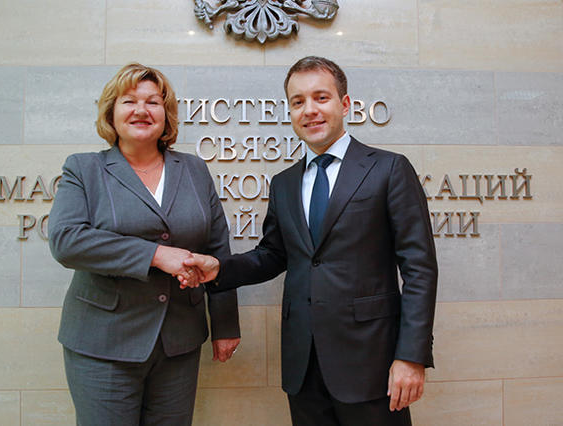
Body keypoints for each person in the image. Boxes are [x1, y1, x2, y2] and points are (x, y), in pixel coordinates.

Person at [182, 56, 438, 425]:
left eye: (321, 97)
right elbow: (273, 255)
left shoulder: (389, 169)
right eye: (298, 101)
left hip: (372, 362)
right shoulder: (284, 183)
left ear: (345, 104)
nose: (310, 110)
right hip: (303, 366)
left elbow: (420, 269)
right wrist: (219, 268)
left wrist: (411, 356)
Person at [48, 62, 240, 426]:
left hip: (179, 341)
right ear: (111, 112)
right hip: (103, 343)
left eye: (152, 102)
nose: (141, 110)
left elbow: (218, 249)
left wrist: (226, 324)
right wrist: (156, 255)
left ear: (166, 116)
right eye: (129, 101)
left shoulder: (194, 170)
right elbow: (66, 240)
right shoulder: (84, 169)